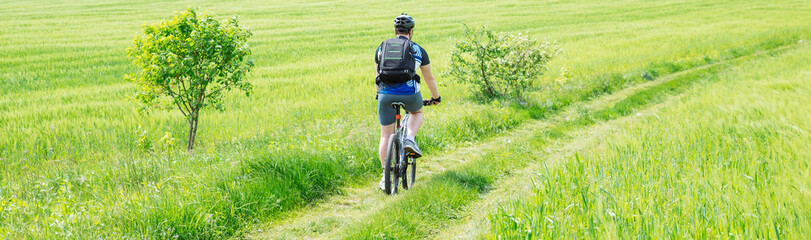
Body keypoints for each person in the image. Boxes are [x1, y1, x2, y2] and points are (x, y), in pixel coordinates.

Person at [374, 13, 441, 191]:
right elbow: (429, 78)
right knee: (416, 112)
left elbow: (378, 76)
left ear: (395, 30)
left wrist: (378, 95)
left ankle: (384, 177)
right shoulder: (418, 50)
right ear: (411, 32)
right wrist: (435, 98)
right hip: (410, 94)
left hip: (385, 94)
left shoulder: (381, 48)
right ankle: (410, 139)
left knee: (385, 136)